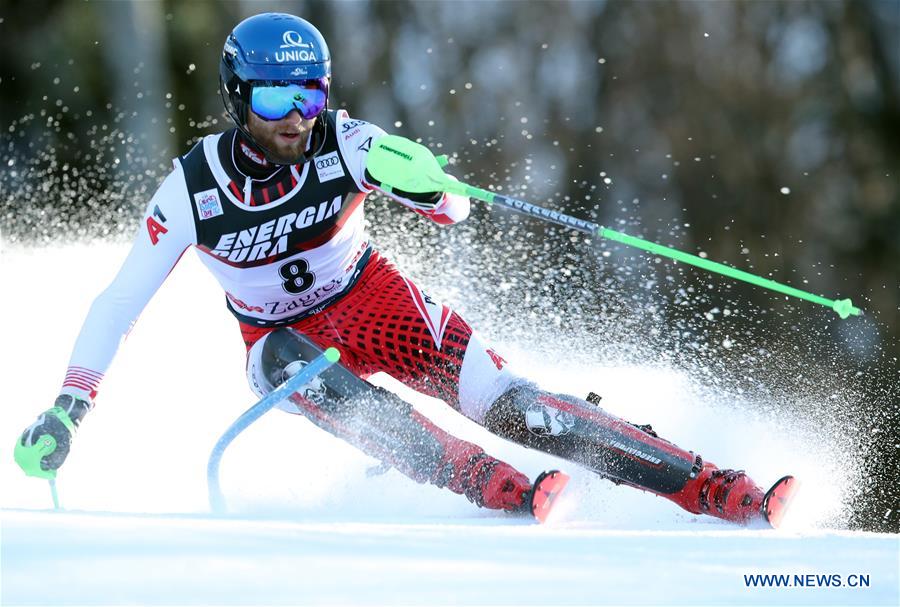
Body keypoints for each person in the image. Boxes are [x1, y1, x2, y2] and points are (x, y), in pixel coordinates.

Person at [15, 13, 778, 524]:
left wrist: (427, 185)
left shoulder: (345, 140)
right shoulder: (191, 188)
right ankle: (493, 486)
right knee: (288, 362)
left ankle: (716, 488)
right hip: (281, 339)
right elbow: (118, 302)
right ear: (238, 97)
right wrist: (69, 407)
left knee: (521, 409)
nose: (296, 113)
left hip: (377, 300)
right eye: (277, 94)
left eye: (310, 91)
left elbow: (456, 209)